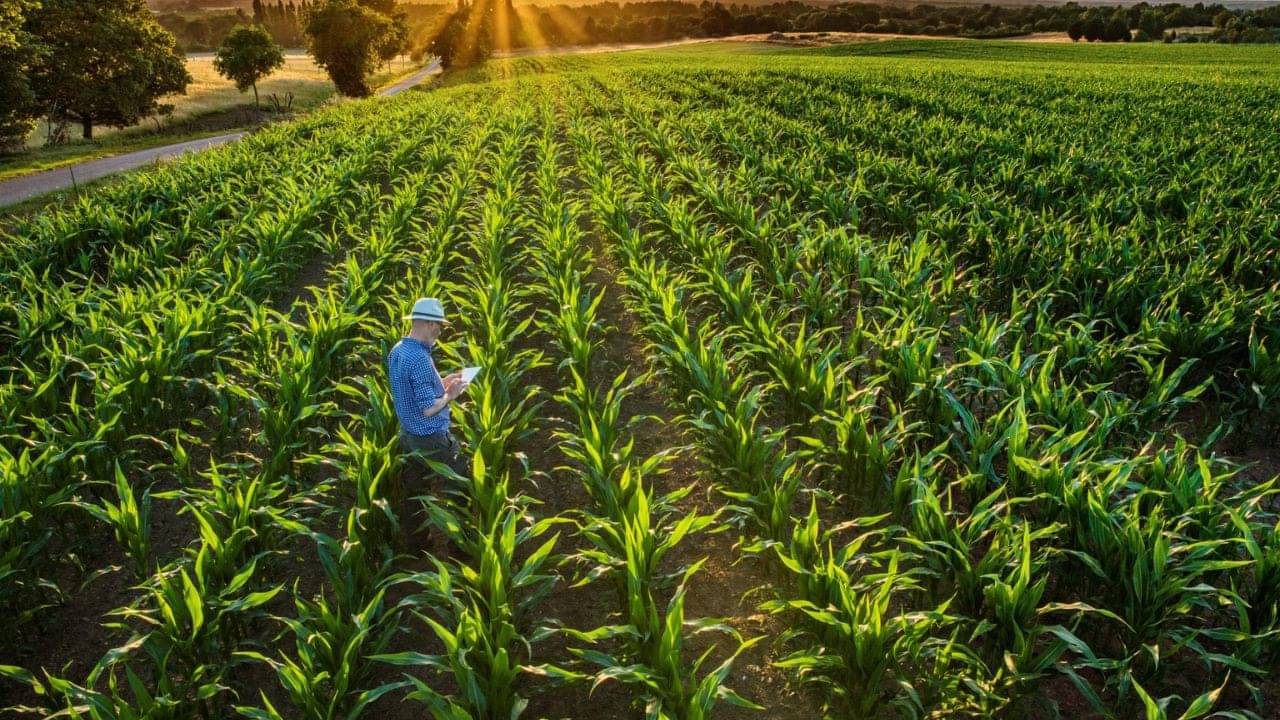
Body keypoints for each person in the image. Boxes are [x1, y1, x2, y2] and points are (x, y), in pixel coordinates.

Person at [387, 297, 471, 515]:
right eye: (440, 327)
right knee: (461, 483)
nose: (440, 333)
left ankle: (415, 541)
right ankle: (460, 541)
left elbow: (413, 390)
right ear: (430, 324)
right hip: (430, 437)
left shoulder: (398, 350)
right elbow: (428, 408)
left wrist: (443, 382)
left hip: (408, 435)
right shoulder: (420, 359)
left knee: (415, 493)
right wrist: (450, 395)